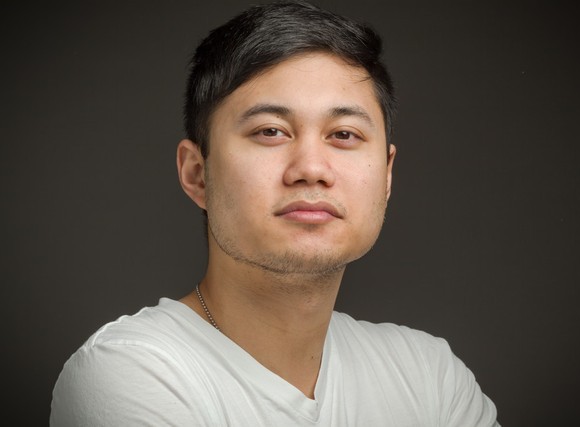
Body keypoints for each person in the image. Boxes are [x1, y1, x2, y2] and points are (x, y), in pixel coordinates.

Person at [50, 1, 500, 425]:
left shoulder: (427, 375)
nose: (311, 169)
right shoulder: (132, 371)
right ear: (197, 174)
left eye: (344, 134)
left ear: (386, 175)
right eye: (270, 131)